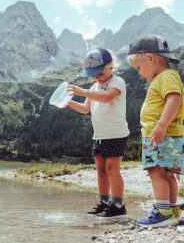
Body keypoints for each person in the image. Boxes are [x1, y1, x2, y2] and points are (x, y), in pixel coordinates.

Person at [127, 34, 183, 227]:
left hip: (160, 136)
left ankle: (162, 212)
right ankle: (172, 210)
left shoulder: (166, 77)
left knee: (155, 171)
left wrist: (160, 126)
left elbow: (174, 99)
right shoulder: (169, 76)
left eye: (139, 67)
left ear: (150, 58)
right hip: (170, 134)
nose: (139, 73)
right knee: (167, 173)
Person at [66, 48, 130, 217]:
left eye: (99, 74)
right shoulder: (94, 86)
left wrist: (82, 91)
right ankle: (104, 201)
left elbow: (107, 97)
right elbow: (86, 109)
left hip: (115, 133)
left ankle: (118, 204)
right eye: (93, 75)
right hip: (99, 135)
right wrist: (70, 102)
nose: (96, 78)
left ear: (111, 66)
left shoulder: (118, 82)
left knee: (111, 168)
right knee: (101, 169)